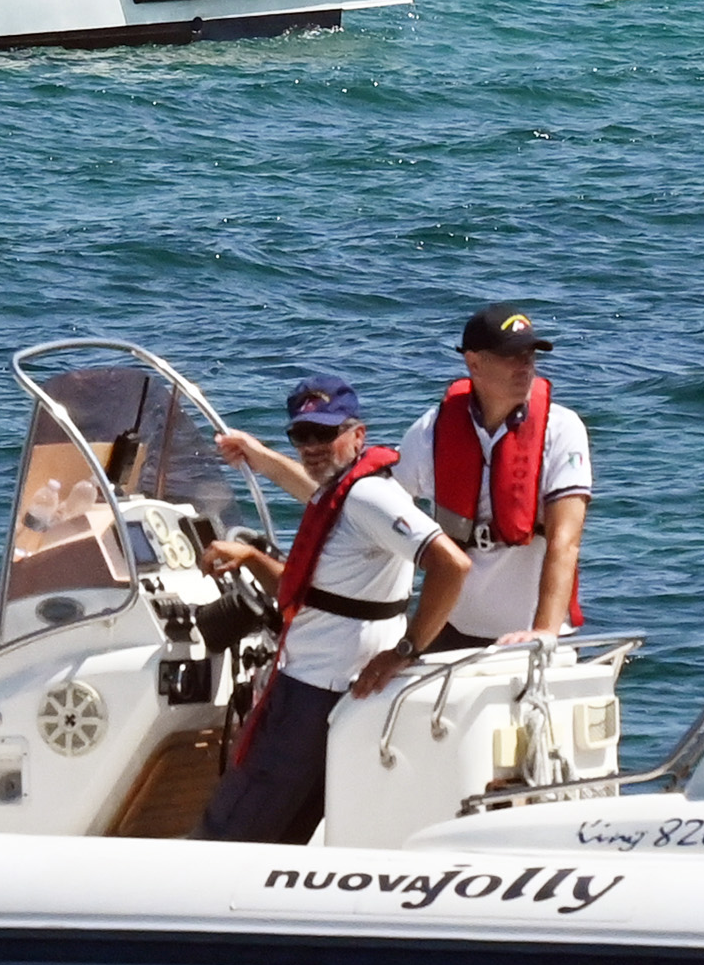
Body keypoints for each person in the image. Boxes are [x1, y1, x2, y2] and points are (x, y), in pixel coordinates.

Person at [190, 375, 471, 846]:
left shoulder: (369, 498)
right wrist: (255, 549)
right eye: (302, 435)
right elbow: (321, 572)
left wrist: (407, 649)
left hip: (315, 691)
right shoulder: (346, 491)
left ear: (357, 435)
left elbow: (452, 565)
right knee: (292, 822)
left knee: (235, 825)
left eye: (326, 433)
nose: (313, 446)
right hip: (328, 686)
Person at [353, 304, 593, 696]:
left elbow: (566, 543)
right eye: (510, 355)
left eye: (530, 355)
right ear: (474, 363)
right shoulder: (432, 431)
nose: (524, 365)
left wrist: (543, 634)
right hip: (452, 632)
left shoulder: (562, 430)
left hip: (534, 638)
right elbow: (375, 510)